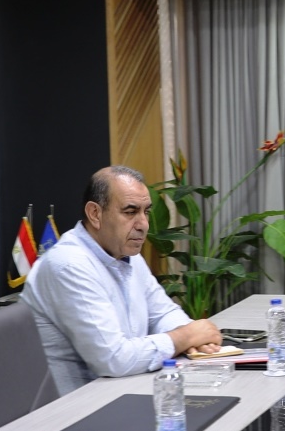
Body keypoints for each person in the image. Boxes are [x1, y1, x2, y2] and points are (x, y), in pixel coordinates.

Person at [21, 165, 222, 396]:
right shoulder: (69, 265)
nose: (143, 224)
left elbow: (162, 313)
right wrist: (185, 337)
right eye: (130, 212)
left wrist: (195, 339)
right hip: (76, 404)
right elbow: (112, 358)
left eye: (146, 212)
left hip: (125, 389)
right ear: (95, 214)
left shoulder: (127, 254)